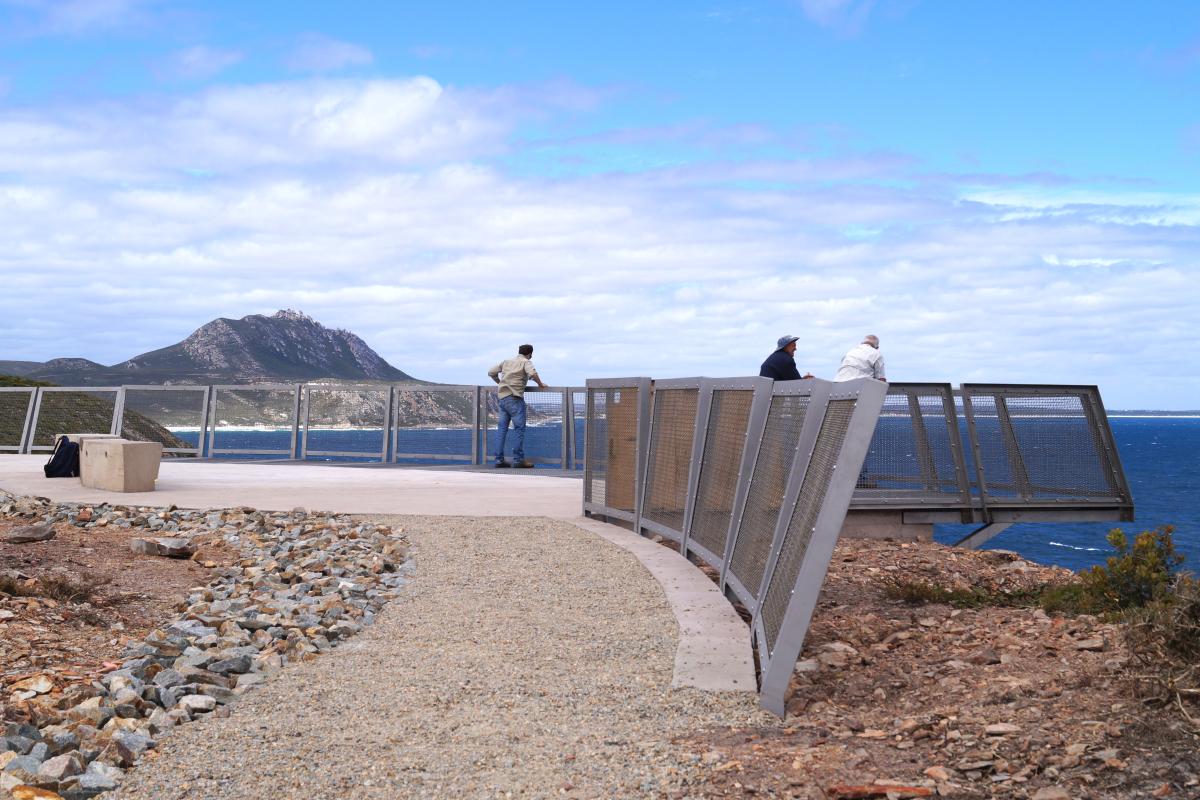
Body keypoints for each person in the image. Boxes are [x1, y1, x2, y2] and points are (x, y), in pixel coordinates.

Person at [487, 344, 549, 468]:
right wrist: (541, 384)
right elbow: (532, 374)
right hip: (515, 399)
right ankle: (518, 460)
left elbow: (491, 372)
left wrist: (500, 383)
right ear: (530, 354)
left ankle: (499, 460)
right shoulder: (526, 362)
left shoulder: (506, 361)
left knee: (501, 430)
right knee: (519, 430)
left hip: (503, 399)